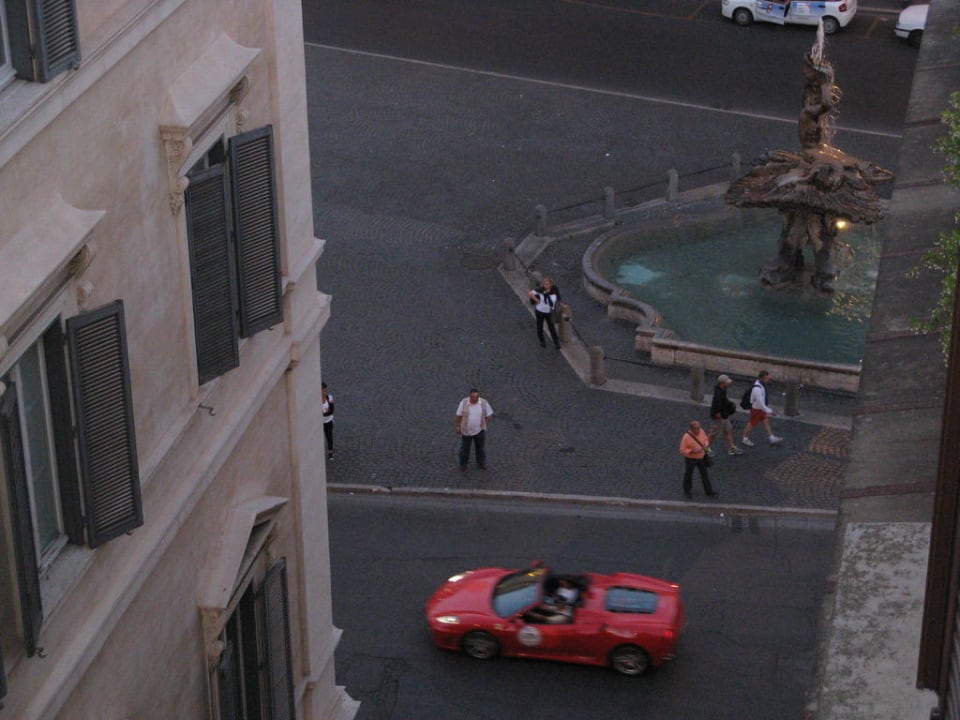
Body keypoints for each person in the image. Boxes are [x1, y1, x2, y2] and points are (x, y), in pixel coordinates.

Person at [741, 371, 784, 447]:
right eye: (767, 378)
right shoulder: (757, 389)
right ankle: (745, 439)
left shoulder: (761, 385)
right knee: (751, 424)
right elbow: (760, 403)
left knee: (766, 421)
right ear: (762, 378)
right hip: (756, 409)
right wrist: (770, 411)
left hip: (760, 409)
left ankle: (771, 437)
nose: (768, 379)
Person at [455, 388, 494, 470]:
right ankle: (463, 464)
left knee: (480, 448)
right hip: (466, 430)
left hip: (479, 430)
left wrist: (484, 423)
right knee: (465, 448)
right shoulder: (464, 402)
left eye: (476, 397)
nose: (474, 399)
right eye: (473, 397)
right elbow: (459, 416)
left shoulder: (483, 403)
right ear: (470, 396)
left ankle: (481, 463)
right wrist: (458, 426)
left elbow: (489, 415)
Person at [680, 420, 716, 499]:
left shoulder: (701, 431)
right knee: (688, 475)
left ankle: (709, 491)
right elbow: (682, 450)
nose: (699, 430)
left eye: (699, 428)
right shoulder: (686, 437)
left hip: (701, 457)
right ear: (692, 428)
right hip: (691, 459)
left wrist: (705, 445)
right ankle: (687, 491)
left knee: (704, 475)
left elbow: (706, 439)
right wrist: (692, 451)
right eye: (696, 428)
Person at [709, 374, 743, 456]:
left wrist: (730, 404)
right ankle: (705, 448)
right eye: (727, 382)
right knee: (713, 433)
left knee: (728, 430)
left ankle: (732, 447)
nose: (729, 384)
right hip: (719, 417)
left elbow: (724, 401)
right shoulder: (719, 393)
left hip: (724, 415)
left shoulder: (722, 390)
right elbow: (716, 405)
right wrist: (718, 415)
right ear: (722, 383)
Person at [528, 277, 561, 349]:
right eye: (544, 284)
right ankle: (542, 341)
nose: (545, 285)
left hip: (549, 312)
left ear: (551, 284)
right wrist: (537, 301)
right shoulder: (541, 289)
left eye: (547, 284)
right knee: (540, 326)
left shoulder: (555, 290)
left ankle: (556, 343)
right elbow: (530, 293)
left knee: (552, 328)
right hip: (540, 311)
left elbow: (558, 298)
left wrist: (562, 305)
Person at [321, 382, 334, 460]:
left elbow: (331, 410)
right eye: (323, 390)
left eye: (325, 390)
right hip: (320, 423)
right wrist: (326, 411)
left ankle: (330, 452)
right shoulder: (315, 400)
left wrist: (323, 413)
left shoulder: (330, 398)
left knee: (329, 437)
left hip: (328, 421)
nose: (325, 392)